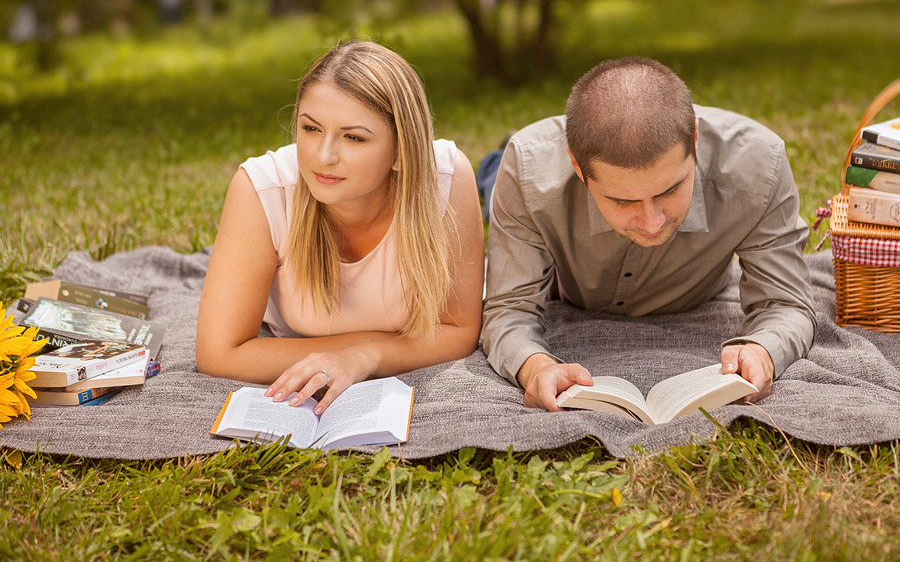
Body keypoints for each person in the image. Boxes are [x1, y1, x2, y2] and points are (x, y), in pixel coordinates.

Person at [482, 56, 816, 411]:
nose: (652, 221)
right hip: (533, 203)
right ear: (577, 167)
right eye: (623, 201)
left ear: (696, 142)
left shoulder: (760, 166)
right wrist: (536, 368)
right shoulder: (528, 172)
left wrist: (764, 351)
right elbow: (508, 310)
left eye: (669, 191)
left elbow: (787, 303)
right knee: (490, 182)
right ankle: (490, 165)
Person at [197, 40, 484, 413]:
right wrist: (373, 349)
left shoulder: (444, 178)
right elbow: (219, 354)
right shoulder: (264, 189)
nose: (323, 156)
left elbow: (460, 332)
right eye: (311, 128)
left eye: (353, 137)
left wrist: (363, 358)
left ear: (401, 151)